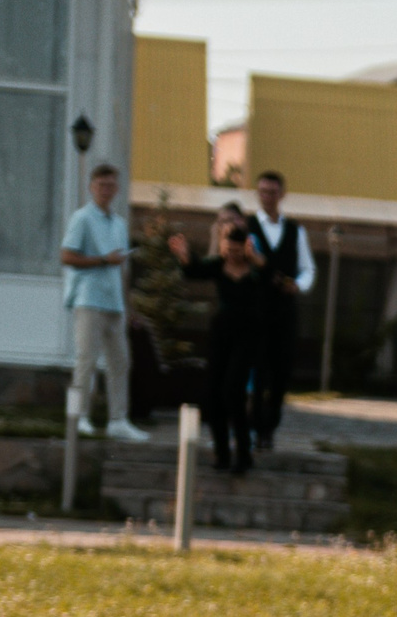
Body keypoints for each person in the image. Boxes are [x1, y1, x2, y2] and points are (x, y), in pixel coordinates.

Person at [168, 206, 272, 475]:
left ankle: (243, 453)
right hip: (222, 331)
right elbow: (195, 270)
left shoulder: (255, 268)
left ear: (244, 248)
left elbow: (271, 278)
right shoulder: (218, 265)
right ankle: (222, 453)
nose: (232, 254)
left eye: (237, 250)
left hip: (248, 333)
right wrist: (184, 256)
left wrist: (256, 258)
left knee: (233, 391)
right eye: (228, 248)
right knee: (214, 393)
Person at [60, 162, 147, 442]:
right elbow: (66, 256)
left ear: (117, 189)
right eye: (101, 185)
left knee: (120, 361)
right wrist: (102, 260)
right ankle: (80, 416)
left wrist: (130, 306)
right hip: (89, 300)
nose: (106, 190)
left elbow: (121, 268)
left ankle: (118, 420)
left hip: (114, 303)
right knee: (86, 359)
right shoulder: (82, 218)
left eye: (111, 185)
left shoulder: (120, 223)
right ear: (91, 187)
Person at [244, 171, 314, 453]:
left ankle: (270, 427)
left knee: (281, 373)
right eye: (262, 191)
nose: (267, 197)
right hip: (257, 310)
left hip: (285, 312)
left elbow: (308, 268)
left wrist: (298, 285)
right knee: (258, 372)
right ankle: (257, 428)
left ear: (282, 194)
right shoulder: (248, 227)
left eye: (272, 192)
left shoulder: (296, 230)